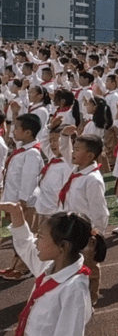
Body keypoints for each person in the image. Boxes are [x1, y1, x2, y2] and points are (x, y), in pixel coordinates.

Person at [0, 202, 93, 336]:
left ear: (63, 246)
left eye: (41, 237)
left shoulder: (74, 289)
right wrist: (16, 213)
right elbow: (26, 245)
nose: (36, 242)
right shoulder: (51, 266)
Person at [57, 135, 109, 304]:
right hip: (72, 230)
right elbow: (65, 151)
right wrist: (65, 135)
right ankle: (74, 300)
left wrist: (96, 235)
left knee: (89, 269)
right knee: (72, 266)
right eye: (74, 148)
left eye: (77, 149)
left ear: (90, 155)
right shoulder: (77, 171)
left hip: (86, 233)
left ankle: (90, 301)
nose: (73, 152)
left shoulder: (92, 180)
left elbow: (99, 211)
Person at [0, 114, 45, 281]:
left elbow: (29, 179)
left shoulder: (32, 154)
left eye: (17, 128)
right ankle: (15, 264)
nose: (13, 131)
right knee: (17, 236)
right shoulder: (22, 150)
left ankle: (24, 268)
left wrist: (23, 201)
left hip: (24, 203)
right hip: (13, 201)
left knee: (25, 234)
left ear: (28, 132)